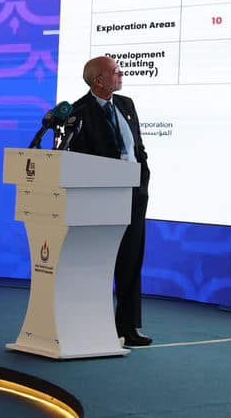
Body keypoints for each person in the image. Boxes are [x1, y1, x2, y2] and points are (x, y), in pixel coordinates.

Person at [68, 55, 152, 347]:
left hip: (134, 194)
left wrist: (143, 178)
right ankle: (94, 325)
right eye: (116, 71)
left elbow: (137, 147)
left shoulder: (126, 105)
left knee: (132, 260)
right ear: (99, 80)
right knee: (99, 263)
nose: (122, 74)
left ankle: (129, 327)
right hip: (102, 197)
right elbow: (79, 158)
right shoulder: (79, 111)